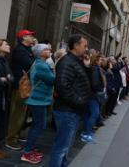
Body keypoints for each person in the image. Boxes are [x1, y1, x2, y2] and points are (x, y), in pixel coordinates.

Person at [49, 34, 91, 167]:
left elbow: (85, 81)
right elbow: (62, 86)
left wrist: (87, 66)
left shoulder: (77, 61)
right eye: (84, 46)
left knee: (66, 146)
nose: (86, 49)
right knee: (61, 147)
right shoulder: (67, 61)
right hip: (67, 111)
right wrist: (79, 101)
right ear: (76, 45)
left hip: (72, 111)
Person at [21, 44, 55, 164]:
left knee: (37, 125)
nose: (49, 50)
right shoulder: (41, 65)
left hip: (38, 99)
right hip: (37, 100)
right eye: (46, 49)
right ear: (40, 53)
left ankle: (30, 148)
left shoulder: (41, 63)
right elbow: (52, 80)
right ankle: (27, 152)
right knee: (39, 126)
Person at [6, 29, 35, 150]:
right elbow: (32, 65)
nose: (32, 37)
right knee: (17, 113)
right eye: (30, 35)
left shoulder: (27, 50)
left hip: (25, 86)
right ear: (23, 38)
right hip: (20, 87)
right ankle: (11, 139)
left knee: (22, 112)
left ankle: (16, 135)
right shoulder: (20, 51)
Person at [0, 39, 13, 159]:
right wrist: (5, 79)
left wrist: (6, 79)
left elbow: (11, 77)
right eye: (6, 44)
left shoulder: (4, 60)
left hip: (2, 95)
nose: (8, 46)